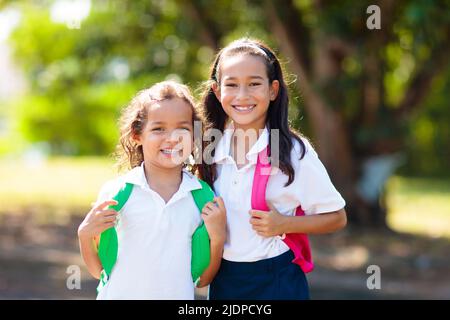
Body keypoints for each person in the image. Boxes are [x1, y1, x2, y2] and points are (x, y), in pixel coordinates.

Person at [198, 38, 347, 300]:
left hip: (277, 281)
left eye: (254, 83)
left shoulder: (294, 152)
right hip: (224, 280)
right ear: (217, 91)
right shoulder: (208, 150)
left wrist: (285, 223)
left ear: (273, 90)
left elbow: (337, 217)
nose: (242, 95)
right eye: (231, 85)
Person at [77, 81, 226, 299]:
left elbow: (203, 280)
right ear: (138, 135)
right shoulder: (117, 194)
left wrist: (218, 237)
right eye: (158, 129)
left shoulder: (204, 198)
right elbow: (99, 271)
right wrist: (84, 235)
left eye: (182, 129)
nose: (172, 138)